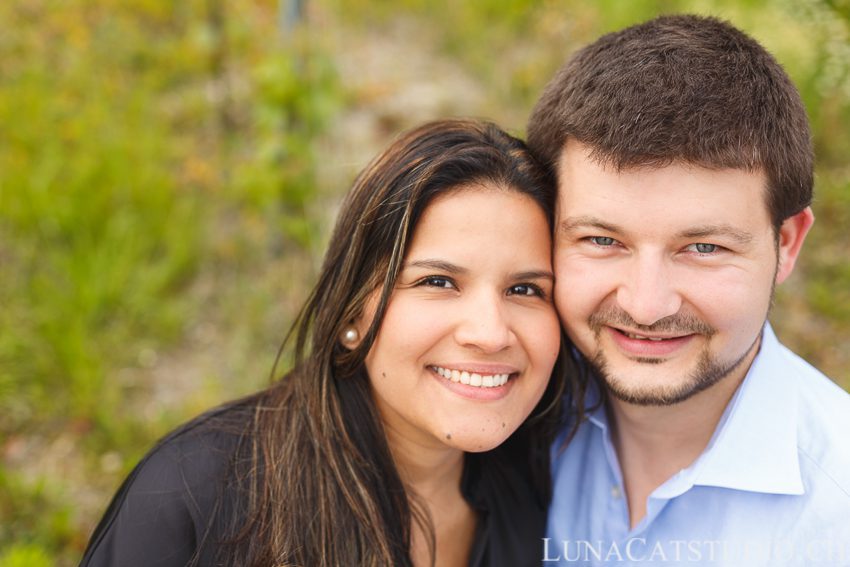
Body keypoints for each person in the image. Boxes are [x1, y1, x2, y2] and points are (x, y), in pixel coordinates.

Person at [79, 119, 578, 567]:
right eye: (438, 282)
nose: (490, 333)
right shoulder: (198, 498)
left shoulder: (550, 483)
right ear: (351, 311)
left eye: (525, 289)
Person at [527, 14, 850, 566]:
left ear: (787, 244)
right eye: (603, 239)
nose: (645, 306)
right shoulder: (501, 416)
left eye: (704, 249)